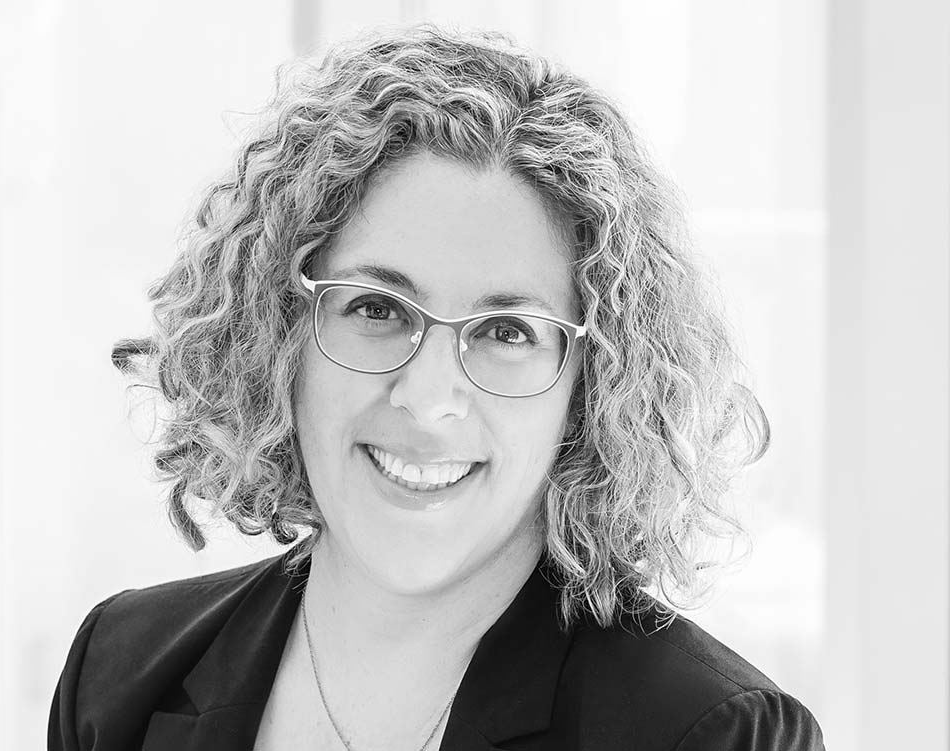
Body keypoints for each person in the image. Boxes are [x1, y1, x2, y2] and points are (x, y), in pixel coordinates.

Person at [48, 24, 826, 751]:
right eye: (376, 309)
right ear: (277, 335)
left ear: (592, 390)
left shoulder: (707, 733)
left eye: (507, 331)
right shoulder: (118, 674)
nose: (427, 397)